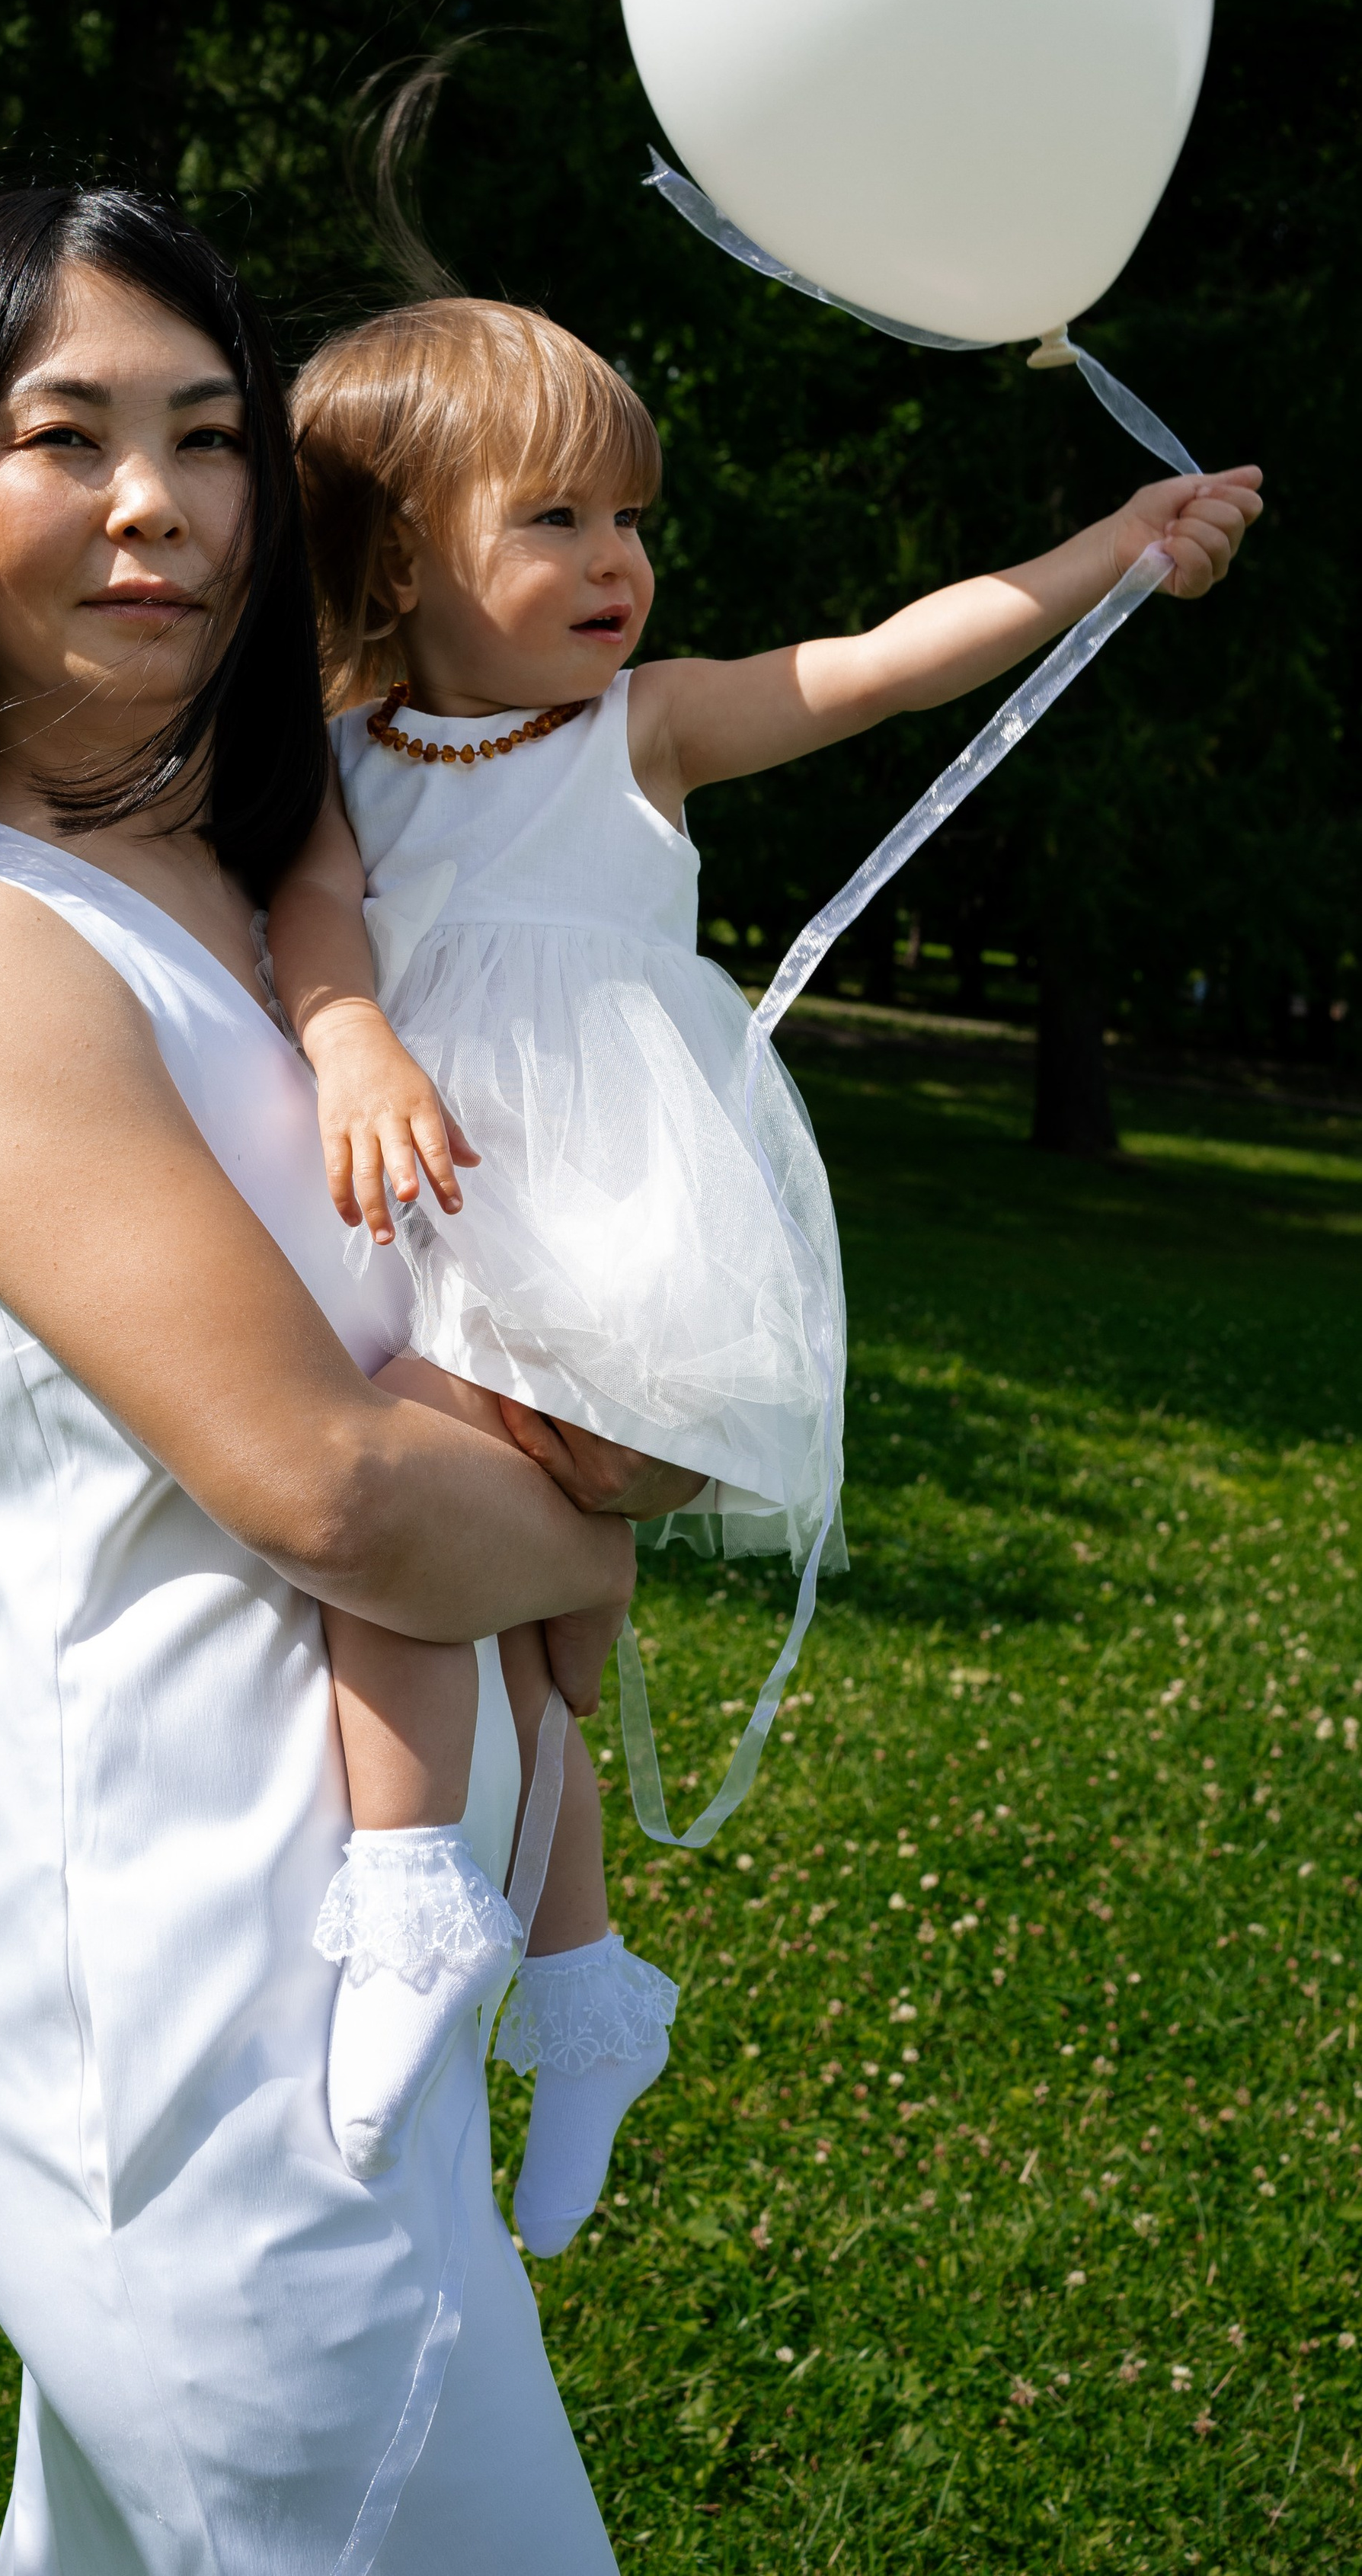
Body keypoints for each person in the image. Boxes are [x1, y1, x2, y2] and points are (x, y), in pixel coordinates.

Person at [0, 187, 695, 2576]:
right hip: (198, 2050)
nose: (155, 502)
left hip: (366, 2004)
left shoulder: (273, 877)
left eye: (209, 436)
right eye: (66, 438)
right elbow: (335, 1493)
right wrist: (623, 1516)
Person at [264, 292, 1264, 2258]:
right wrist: (349, 1038)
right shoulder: (342, 753)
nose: (617, 563)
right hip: (452, 1231)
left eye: (630, 522)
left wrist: (1115, 554)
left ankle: (404, 1899)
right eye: (554, 523)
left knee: (401, 1493)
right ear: (396, 558)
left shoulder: (646, 730)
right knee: (534, 1634)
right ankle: (585, 1990)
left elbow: (881, 664)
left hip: (614, 1257)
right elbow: (309, 915)